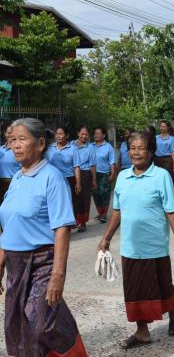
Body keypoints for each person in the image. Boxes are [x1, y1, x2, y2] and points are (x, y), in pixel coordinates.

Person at [0, 118, 87, 356]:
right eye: (11, 141)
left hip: (42, 263)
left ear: (40, 143)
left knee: (44, 323)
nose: (15, 145)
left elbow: (62, 228)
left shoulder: (52, 177)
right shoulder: (17, 179)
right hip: (16, 266)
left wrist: (58, 275)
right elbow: (11, 225)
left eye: (21, 139)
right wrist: (1, 261)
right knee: (18, 327)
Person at [98, 131, 174, 350]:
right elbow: (117, 211)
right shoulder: (122, 177)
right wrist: (106, 237)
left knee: (163, 285)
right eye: (132, 148)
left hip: (154, 245)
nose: (136, 153)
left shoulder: (161, 176)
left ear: (151, 151)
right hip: (130, 246)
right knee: (135, 289)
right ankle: (142, 332)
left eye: (141, 148)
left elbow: (171, 211)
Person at [45, 126, 81, 216]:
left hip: (68, 179)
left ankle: (68, 223)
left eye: (61, 134)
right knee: (54, 201)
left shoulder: (73, 149)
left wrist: (78, 182)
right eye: (57, 134)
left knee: (68, 201)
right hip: (53, 180)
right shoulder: (50, 148)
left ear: (67, 136)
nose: (58, 136)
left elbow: (76, 167)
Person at [72, 126, 97, 232]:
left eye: (86, 134)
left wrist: (94, 180)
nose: (84, 136)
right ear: (78, 133)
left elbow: (93, 165)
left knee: (84, 199)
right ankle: (74, 221)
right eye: (82, 134)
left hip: (85, 175)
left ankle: (82, 222)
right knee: (73, 199)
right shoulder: (71, 145)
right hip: (72, 174)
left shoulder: (90, 148)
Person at [92, 127, 116, 223]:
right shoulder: (90, 146)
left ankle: (104, 214)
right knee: (96, 195)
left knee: (104, 195)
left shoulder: (108, 147)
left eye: (98, 133)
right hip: (93, 174)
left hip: (105, 174)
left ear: (103, 135)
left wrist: (113, 173)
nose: (95, 135)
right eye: (95, 133)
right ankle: (100, 212)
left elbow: (112, 161)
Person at [0, 125, 21, 205]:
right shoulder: (0, 149)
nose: (10, 135)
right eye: (8, 133)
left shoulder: (19, 149)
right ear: (4, 133)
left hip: (13, 183)